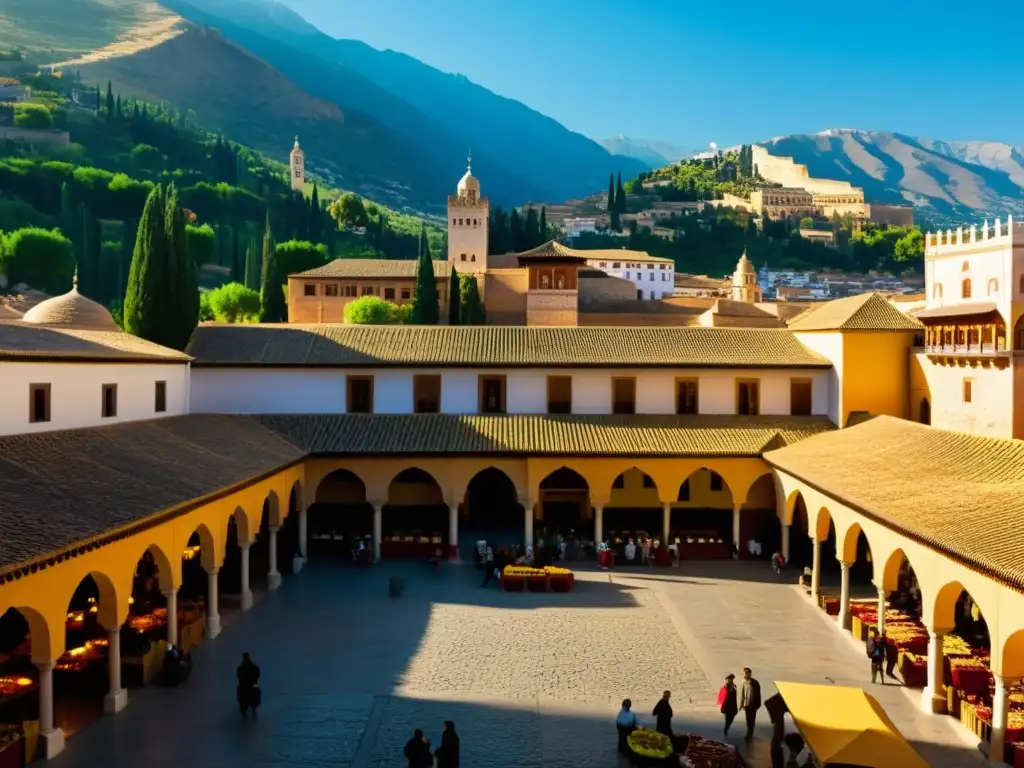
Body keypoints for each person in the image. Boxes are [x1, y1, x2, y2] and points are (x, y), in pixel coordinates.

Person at [236, 652, 260, 719]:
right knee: (255, 693)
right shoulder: (253, 667)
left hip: (245, 685)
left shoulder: (241, 667)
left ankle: (246, 711)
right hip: (250, 684)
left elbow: (239, 676)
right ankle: (253, 709)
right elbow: (257, 675)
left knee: (242, 695)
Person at [740, 668, 761, 739]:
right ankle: (749, 732)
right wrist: (742, 704)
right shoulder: (744, 682)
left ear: (750, 674)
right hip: (746, 704)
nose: (745, 674)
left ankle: (750, 734)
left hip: (753, 705)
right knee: (748, 719)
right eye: (744, 673)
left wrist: (757, 705)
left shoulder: (755, 683)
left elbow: (758, 695)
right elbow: (742, 693)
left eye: (746, 673)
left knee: (752, 719)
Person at [718, 673, 739, 738]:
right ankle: (725, 730)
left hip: (733, 706)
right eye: (729, 679)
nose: (730, 680)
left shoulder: (734, 686)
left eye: (731, 679)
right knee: (727, 719)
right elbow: (721, 697)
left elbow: (735, 697)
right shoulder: (725, 687)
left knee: (731, 719)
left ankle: (727, 727)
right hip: (727, 707)